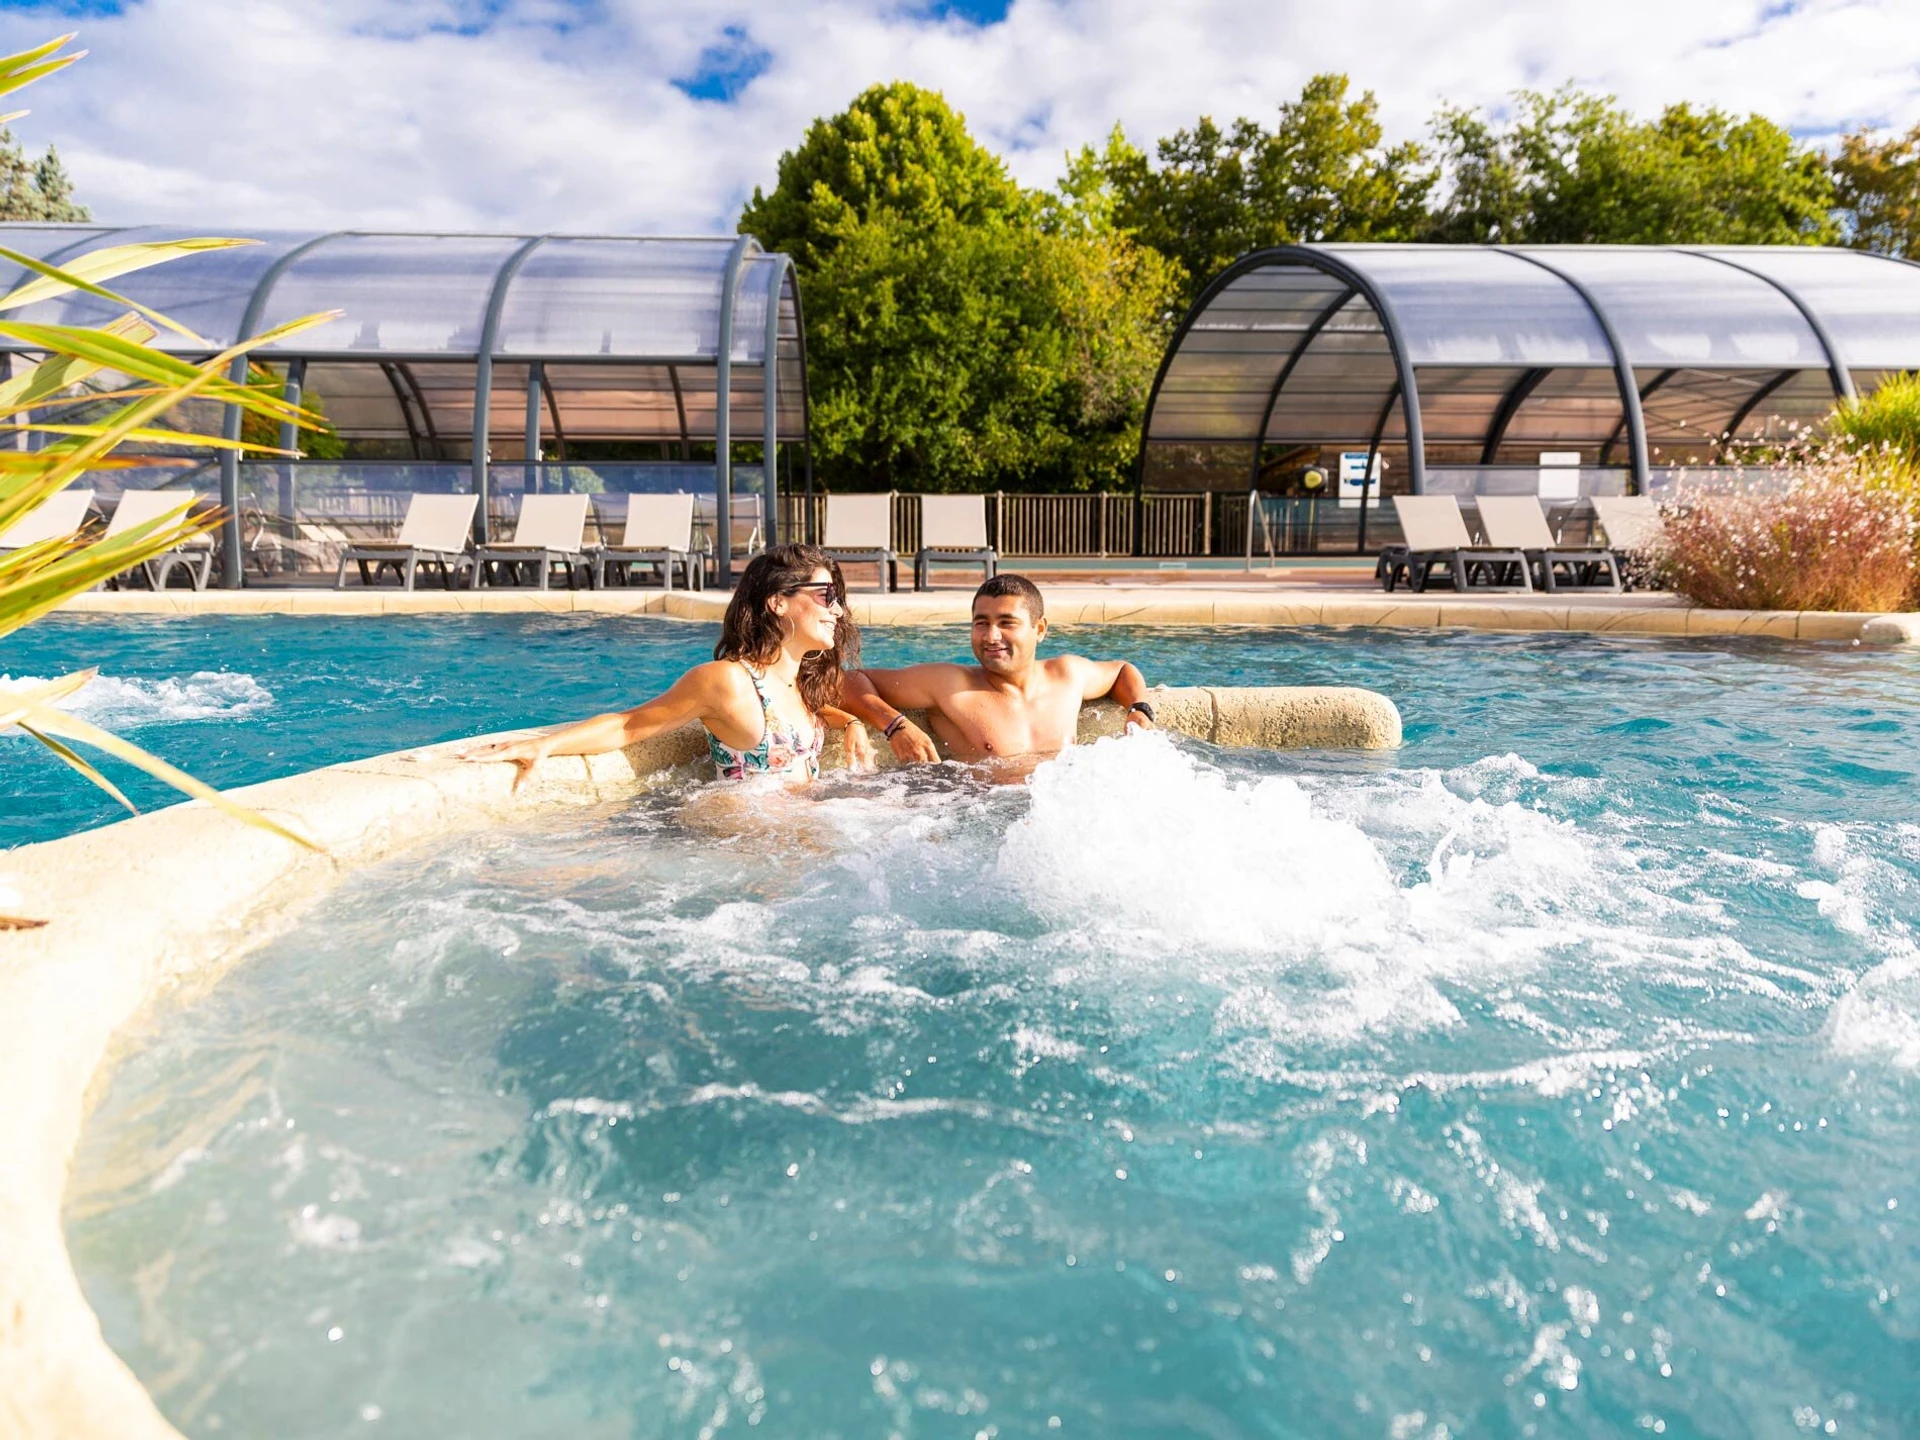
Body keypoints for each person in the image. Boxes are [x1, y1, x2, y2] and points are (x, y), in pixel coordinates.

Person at [463, 544, 874, 787]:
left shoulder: (793, 680)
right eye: (825, 595)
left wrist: (851, 723)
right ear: (778, 601)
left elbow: (803, 716)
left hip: (800, 835)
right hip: (757, 850)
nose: (837, 609)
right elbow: (630, 724)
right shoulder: (728, 681)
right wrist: (546, 744)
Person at [840, 573, 1154, 772]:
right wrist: (895, 725)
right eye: (981, 623)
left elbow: (1122, 671)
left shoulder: (1067, 675)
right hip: (983, 818)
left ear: (1039, 628)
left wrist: (1140, 709)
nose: (991, 636)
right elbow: (845, 678)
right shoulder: (951, 684)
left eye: (1006, 623)